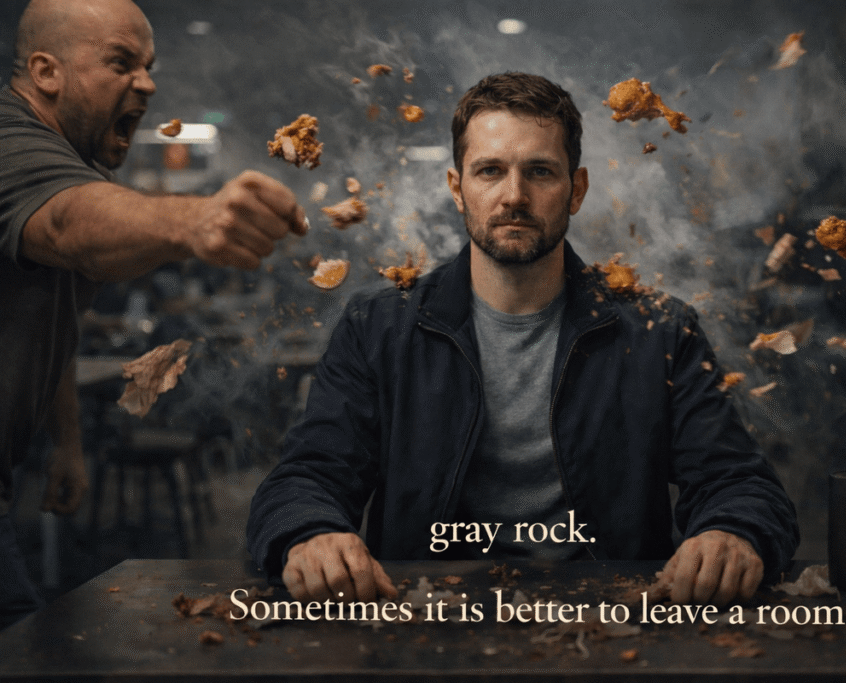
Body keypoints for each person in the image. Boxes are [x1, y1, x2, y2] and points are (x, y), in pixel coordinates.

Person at [247, 72, 798, 608]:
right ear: (457, 189)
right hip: (424, 620)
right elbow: (307, 476)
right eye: (489, 171)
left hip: (612, 620)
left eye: (540, 171)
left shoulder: (659, 331)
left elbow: (739, 482)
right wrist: (311, 532)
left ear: (575, 190)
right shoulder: (380, 326)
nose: (514, 196)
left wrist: (733, 532)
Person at [0, 0, 307, 630]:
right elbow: (70, 225)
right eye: (120, 62)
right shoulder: (8, 141)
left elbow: (55, 315)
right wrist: (195, 218)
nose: (147, 82)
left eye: (148, 65)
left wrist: (68, 442)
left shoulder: (71, 161)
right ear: (45, 71)